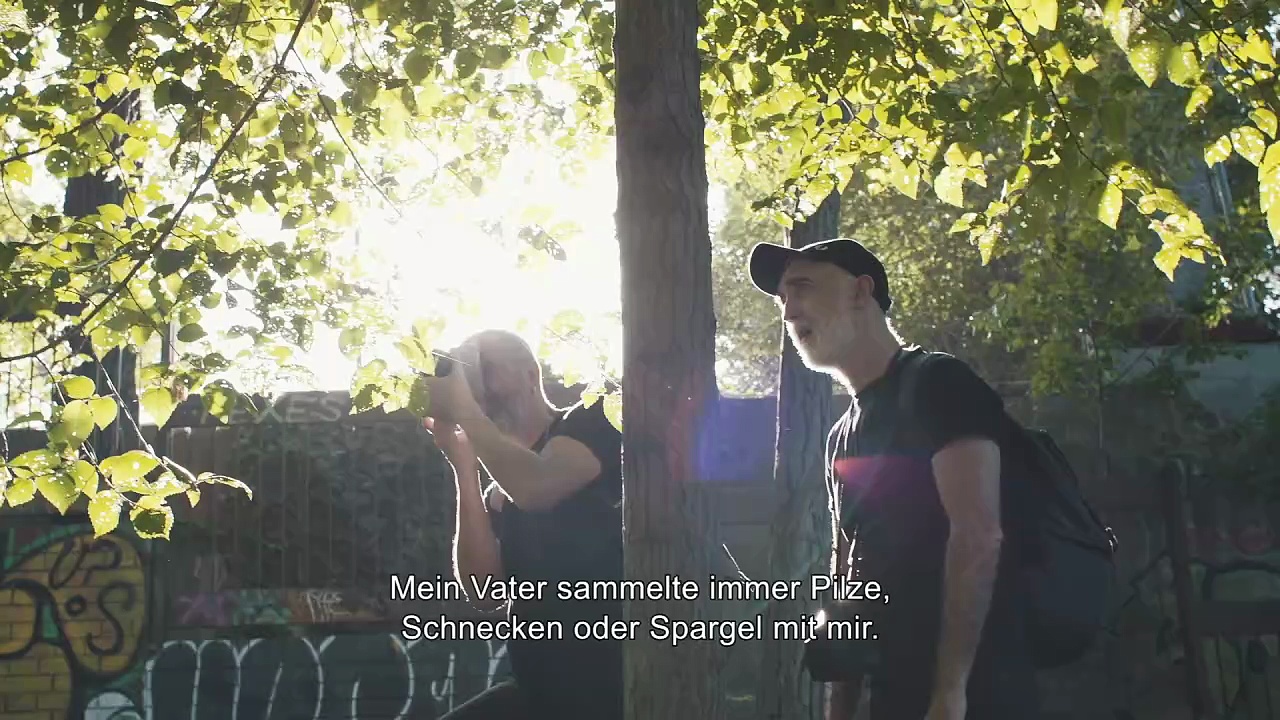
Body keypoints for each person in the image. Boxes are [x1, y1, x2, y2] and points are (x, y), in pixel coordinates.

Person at [747, 238, 1039, 720]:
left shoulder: (939, 383)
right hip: (892, 692)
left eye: (803, 287)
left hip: (980, 693)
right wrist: (840, 711)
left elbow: (979, 535)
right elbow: (848, 580)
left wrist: (950, 693)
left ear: (861, 292)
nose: (789, 311)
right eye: (782, 299)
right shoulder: (840, 437)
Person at [417, 329, 623, 720]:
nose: (475, 386)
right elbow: (485, 592)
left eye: (486, 369)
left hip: (614, 683)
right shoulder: (502, 491)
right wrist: (464, 465)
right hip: (539, 690)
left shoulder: (589, 419)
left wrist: (465, 410)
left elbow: (537, 487)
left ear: (531, 374)